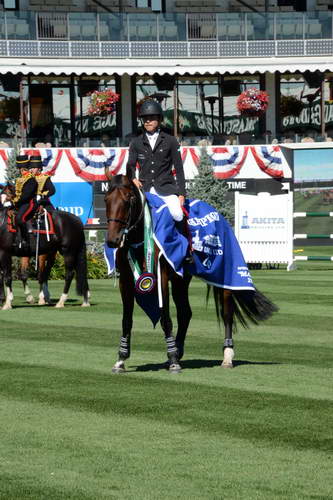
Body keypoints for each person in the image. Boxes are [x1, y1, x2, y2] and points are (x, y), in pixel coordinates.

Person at [126, 99, 192, 263]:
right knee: (132, 215)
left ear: (159, 119)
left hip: (166, 188)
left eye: (152, 117)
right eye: (145, 118)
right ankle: (128, 249)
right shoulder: (135, 142)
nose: (148, 121)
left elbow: (179, 169)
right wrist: (132, 177)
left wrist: (181, 193)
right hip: (145, 189)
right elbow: (130, 165)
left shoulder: (170, 140)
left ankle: (185, 249)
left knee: (177, 213)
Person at [11, 154, 38, 248]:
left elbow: (26, 196)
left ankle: (25, 239)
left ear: (24, 169)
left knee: (19, 218)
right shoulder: (20, 179)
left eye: (22, 169)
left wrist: (16, 202)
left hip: (29, 203)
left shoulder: (31, 180)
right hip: (20, 202)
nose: (20, 171)